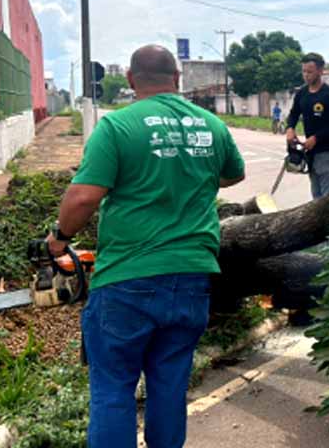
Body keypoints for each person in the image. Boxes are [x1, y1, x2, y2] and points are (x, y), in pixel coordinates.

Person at [45, 45, 246, 448]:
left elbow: (84, 197)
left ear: (133, 81)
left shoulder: (118, 127)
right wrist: (187, 176)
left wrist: (59, 240)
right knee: (169, 388)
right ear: (177, 79)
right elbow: (231, 175)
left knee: (114, 389)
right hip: (192, 280)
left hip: (127, 282)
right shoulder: (212, 126)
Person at [286, 52, 329, 199]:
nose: (306, 75)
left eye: (310, 72)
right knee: (316, 198)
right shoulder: (302, 93)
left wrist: (316, 138)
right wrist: (290, 128)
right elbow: (294, 113)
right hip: (311, 154)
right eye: (304, 71)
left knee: (328, 201)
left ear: (320, 71)